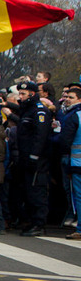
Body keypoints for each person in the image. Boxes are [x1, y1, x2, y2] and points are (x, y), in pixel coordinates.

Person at [16, 81, 52, 237]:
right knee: (28, 191)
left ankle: (39, 223)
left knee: (37, 191)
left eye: (23, 94)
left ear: (31, 94)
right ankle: (32, 221)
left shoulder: (39, 111)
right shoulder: (27, 110)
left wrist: (34, 156)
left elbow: (40, 136)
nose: (20, 97)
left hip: (37, 159)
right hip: (25, 157)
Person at [59, 86, 81, 239]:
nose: (67, 99)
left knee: (78, 197)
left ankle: (80, 229)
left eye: (71, 97)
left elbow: (65, 141)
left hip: (77, 163)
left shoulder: (75, 116)